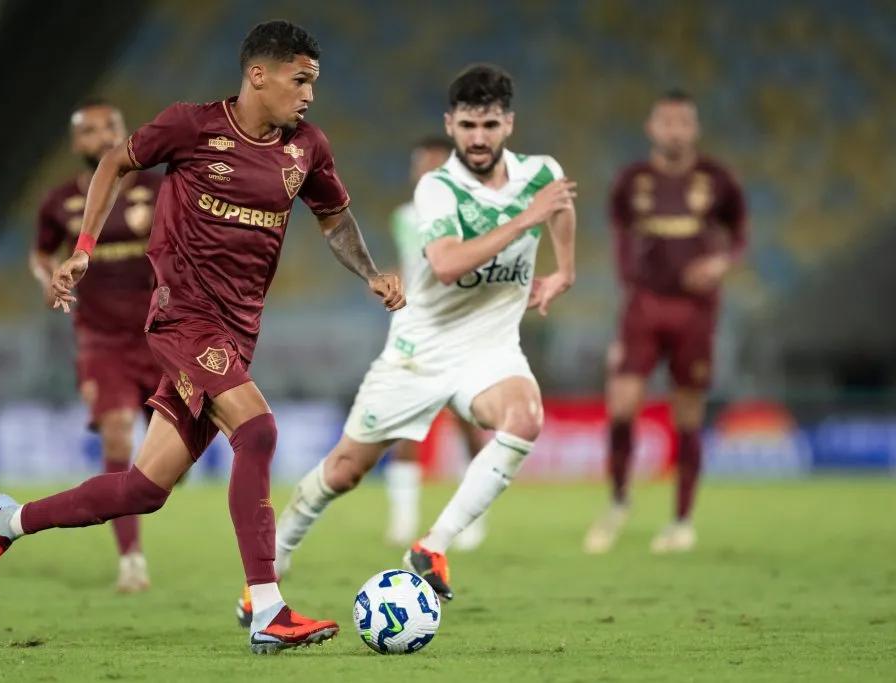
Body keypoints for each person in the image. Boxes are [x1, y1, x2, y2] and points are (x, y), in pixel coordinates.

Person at [0, 20, 405, 655]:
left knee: (144, 490)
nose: (309, 95)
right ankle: (267, 608)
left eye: (314, 83)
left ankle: (6, 522)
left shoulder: (307, 147)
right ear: (259, 74)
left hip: (237, 330)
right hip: (181, 317)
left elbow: (334, 219)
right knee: (258, 431)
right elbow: (116, 161)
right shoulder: (193, 126)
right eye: (300, 80)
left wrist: (372, 273)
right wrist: (83, 250)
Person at [238, 63, 576, 619]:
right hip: (420, 351)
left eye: (490, 125)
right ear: (450, 124)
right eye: (467, 125)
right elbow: (444, 265)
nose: (478, 138)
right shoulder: (437, 188)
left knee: (525, 416)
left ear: (508, 124)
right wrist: (526, 220)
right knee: (344, 471)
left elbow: (560, 209)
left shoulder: (541, 174)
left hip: (490, 350)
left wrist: (563, 271)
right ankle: (270, 566)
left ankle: (431, 548)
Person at [583, 88, 747, 555]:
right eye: (666, 122)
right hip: (643, 305)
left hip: (696, 310)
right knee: (621, 404)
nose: (674, 130)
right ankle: (617, 500)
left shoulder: (717, 180)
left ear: (694, 129)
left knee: (688, 414)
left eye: (683, 122)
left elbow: (739, 236)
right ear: (652, 128)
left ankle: (681, 520)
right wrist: (626, 283)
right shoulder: (632, 180)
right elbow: (618, 231)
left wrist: (720, 263)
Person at [30, 99, 163, 593]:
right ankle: (131, 559)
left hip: (162, 335)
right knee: (116, 436)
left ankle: (162, 479)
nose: (104, 136)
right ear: (76, 143)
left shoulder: (161, 189)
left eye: (113, 127)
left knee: (173, 454)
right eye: (91, 130)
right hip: (101, 340)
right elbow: (40, 253)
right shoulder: (59, 201)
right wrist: (46, 278)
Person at [383, 135, 488, 550]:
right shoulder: (403, 217)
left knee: (468, 424)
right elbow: (412, 264)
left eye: (434, 163)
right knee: (407, 424)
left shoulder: (474, 215)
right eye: (420, 163)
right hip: (416, 333)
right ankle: (403, 521)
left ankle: (472, 519)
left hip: (463, 331)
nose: (425, 170)